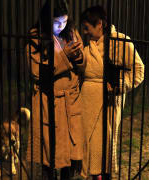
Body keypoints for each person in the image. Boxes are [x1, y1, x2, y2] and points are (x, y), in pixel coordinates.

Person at [80, 6, 145, 179]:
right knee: (90, 142)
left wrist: (122, 85)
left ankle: (104, 175)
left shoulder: (121, 42)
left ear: (99, 24)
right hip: (88, 103)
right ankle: (95, 176)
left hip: (108, 102)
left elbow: (138, 69)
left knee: (105, 143)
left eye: (87, 27)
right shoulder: (90, 46)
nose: (85, 32)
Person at [26, 0, 86, 179]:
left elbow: (83, 66)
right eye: (56, 22)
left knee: (70, 155)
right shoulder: (36, 39)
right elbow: (38, 72)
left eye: (65, 21)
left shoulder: (71, 33)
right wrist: (64, 57)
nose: (61, 26)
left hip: (71, 101)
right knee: (49, 155)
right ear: (46, 20)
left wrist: (78, 57)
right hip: (49, 102)